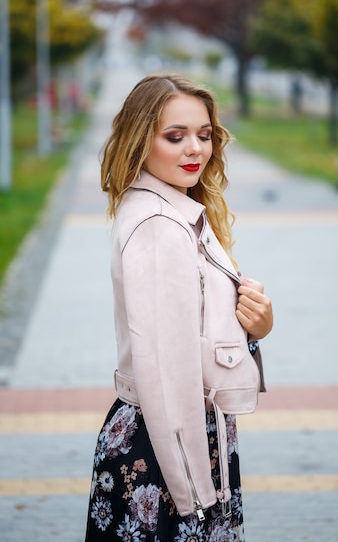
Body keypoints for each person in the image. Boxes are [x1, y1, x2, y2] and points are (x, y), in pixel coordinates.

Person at [85, 73, 273, 541]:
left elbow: (194, 332)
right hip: (169, 445)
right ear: (140, 140)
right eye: (175, 136)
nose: (196, 149)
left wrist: (256, 324)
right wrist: (194, 494)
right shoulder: (159, 226)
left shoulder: (175, 211)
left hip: (179, 437)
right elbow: (167, 372)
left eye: (204, 135)